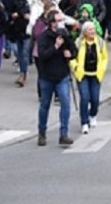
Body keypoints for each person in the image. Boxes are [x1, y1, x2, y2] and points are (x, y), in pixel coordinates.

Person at [36, 8, 77, 146]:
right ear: (51, 23)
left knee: (65, 103)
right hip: (47, 76)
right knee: (44, 105)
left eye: (61, 21)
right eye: (58, 21)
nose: (61, 23)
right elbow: (42, 55)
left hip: (62, 75)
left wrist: (70, 54)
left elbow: (74, 50)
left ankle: (63, 133)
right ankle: (42, 132)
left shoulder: (65, 34)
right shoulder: (44, 37)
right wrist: (55, 47)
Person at [71, 21, 109, 135]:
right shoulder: (78, 42)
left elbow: (104, 58)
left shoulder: (100, 42)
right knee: (85, 97)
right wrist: (76, 68)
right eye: (90, 29)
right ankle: (84, 122)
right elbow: (72, 57)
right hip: (83, 74)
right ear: (84, 32)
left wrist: (101, 70)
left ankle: (92, 114)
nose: (93, 31)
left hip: (95, 74)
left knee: (95, 99)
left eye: (93, 29)